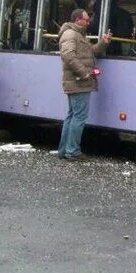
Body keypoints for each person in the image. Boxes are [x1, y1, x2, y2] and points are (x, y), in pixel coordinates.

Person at [57, 8, 110, 160]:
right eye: (86, 20)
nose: (88, 22)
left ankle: (64, 150)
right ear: (77, 20)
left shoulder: (77, 34)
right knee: (79, 117)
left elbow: (90, 51)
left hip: (77, 81)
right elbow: (68, 56)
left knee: (72, 116)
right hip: (79, 81)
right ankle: (73, 150)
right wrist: (84, 73)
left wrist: (103, 43)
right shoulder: (71, 34)